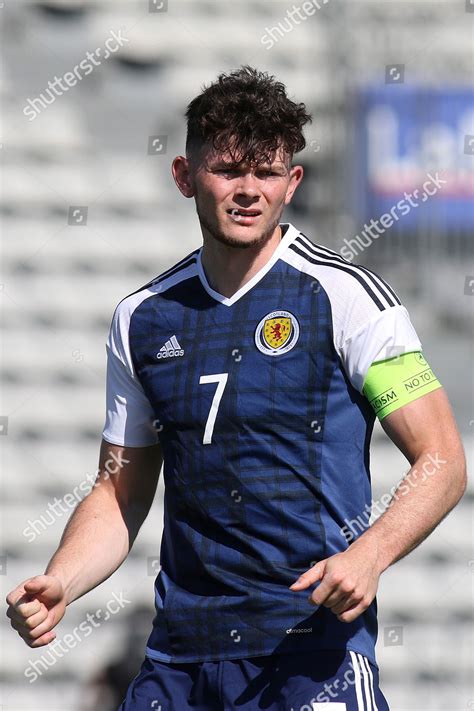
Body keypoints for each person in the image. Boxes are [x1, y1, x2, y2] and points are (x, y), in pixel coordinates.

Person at [6, 66, 466, 711]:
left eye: (268, 173)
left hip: (310, 651)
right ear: (184, 176)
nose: (249, 191)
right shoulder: (142, 317)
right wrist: (62, 578)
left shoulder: (347, 298)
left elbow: (442, 459)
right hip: (179, 660)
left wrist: (369, 555)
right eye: (228, 169)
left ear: (292, 183)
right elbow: (119, 488)